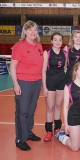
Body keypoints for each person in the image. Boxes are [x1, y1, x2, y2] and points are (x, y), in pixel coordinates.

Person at [10, 20, 43, 151]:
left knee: (30, 110)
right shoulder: (19, 46)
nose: (33, 32)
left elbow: (40, 66)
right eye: (30, 30)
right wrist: (15, 83)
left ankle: (28, 132)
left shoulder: (39, 46)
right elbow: (13, 66)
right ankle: (20, 138)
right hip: (23, 82)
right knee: (22, 112)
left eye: (35, 30)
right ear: (25, 31)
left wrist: (41, 82)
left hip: (36, 82)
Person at [56, 62, 80, 151]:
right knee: (75, 148)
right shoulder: (68, 86)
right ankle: (62, 136)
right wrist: (66, 124)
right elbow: (66, 107)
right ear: (75, 71)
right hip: (74, 117)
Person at [42, 32, 67, 142]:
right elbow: (43, 71)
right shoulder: (47, 52)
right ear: (51, 41)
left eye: (60, 40)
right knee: (50, 107)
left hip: (62, 81)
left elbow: (65, 67)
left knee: (58, 106)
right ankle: (48, 131)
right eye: (55, 40)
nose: (58, 42)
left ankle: (57, 128)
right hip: (50, 82)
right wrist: (44, 87)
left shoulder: (64, 53)